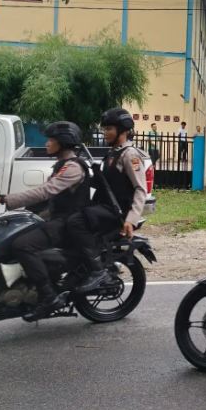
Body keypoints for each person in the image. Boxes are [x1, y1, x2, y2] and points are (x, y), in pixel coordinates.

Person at [0, 122, 90, 321]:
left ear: (63, 142)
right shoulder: (62, 165)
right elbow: (50, 199)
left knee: (23, 245)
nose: (46, 144)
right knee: (14, 234)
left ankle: (48, 297)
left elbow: (45, 191)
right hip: (56, 218)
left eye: (51, 140)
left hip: (66, 223)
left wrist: (2, 199)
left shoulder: (73, 167)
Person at [66, 108, 149, 292]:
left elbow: (140, 189)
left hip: (118, 212)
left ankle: (97, 271)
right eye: (104, 129)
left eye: (109, 128)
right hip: (104, 206)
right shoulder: (112, 153)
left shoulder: (130, 155)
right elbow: (106, 184)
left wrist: (131, 220)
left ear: (123, 130)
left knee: (76, 222)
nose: (105, 133)